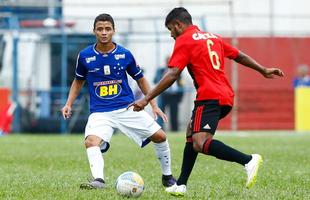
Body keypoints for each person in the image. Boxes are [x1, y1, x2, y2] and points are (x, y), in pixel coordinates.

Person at [132, 7, 284, 196]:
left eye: (171, 29)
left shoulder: (184, 40)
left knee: (200, 142)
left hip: (209, 97)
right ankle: (181, 184)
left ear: (178, 25)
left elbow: (172, 73)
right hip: (225, 95)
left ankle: (248, 160)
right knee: (191, 132)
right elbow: (239, 55)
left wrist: (146, 98)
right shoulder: (213, 37)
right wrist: (263, 70)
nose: (171, 34)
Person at [61, 13, 176, 189]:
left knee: (160, 136)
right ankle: (98, 180)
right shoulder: (84, 56)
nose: (104, 32)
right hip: (100, 112)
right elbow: (78, 81)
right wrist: (68, 104)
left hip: (127, 108)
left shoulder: (125, 54)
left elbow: (141, 79)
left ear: (114, 30)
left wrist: (153, 105)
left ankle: (167, 176)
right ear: (94, 31)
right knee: (91, 142)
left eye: (108, 29)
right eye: (100, 29)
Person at [154, 56, 184, 131]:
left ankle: (175, 130)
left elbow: (181, 84)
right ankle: (160, 129)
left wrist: (180, 96)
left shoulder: (177, 71)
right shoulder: (161, 71)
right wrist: (162, 75)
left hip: (174, 96)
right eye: (167, 61)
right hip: (164, 95)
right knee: (161, 113)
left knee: (174, 114)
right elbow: (155, 81)